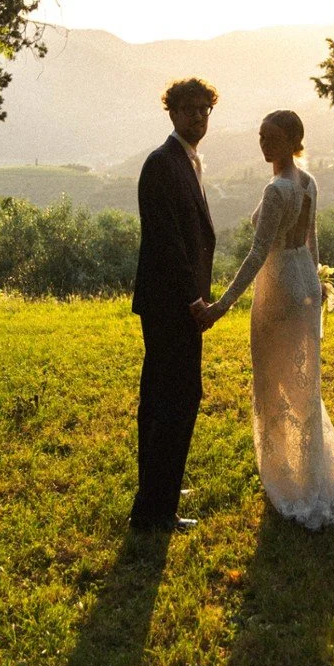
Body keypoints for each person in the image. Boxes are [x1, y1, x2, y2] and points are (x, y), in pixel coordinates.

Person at [193, 109, 334, 530]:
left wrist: (221, 306)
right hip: (303, 281)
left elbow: (257, 254)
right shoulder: (308, 182)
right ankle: (308, 473)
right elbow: (312, 242)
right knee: (303, 384)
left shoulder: (276, 190)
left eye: (271, 137)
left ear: (292, 141)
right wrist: (316, 290)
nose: (263, 144)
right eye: (261, 136)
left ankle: (290, 478)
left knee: (275, 380)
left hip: (278, 286)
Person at [130, 77, 218, 532]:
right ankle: (155, 510)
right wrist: (194, 299)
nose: (199, 116)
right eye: (190, 109)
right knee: (175, 398)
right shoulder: (161, 163)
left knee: (164, 397)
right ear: (173, 112)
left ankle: (158, 488)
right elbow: (167, 241)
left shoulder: (184, 160)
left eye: (205, 109)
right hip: (171, 304)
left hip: (174, 302)